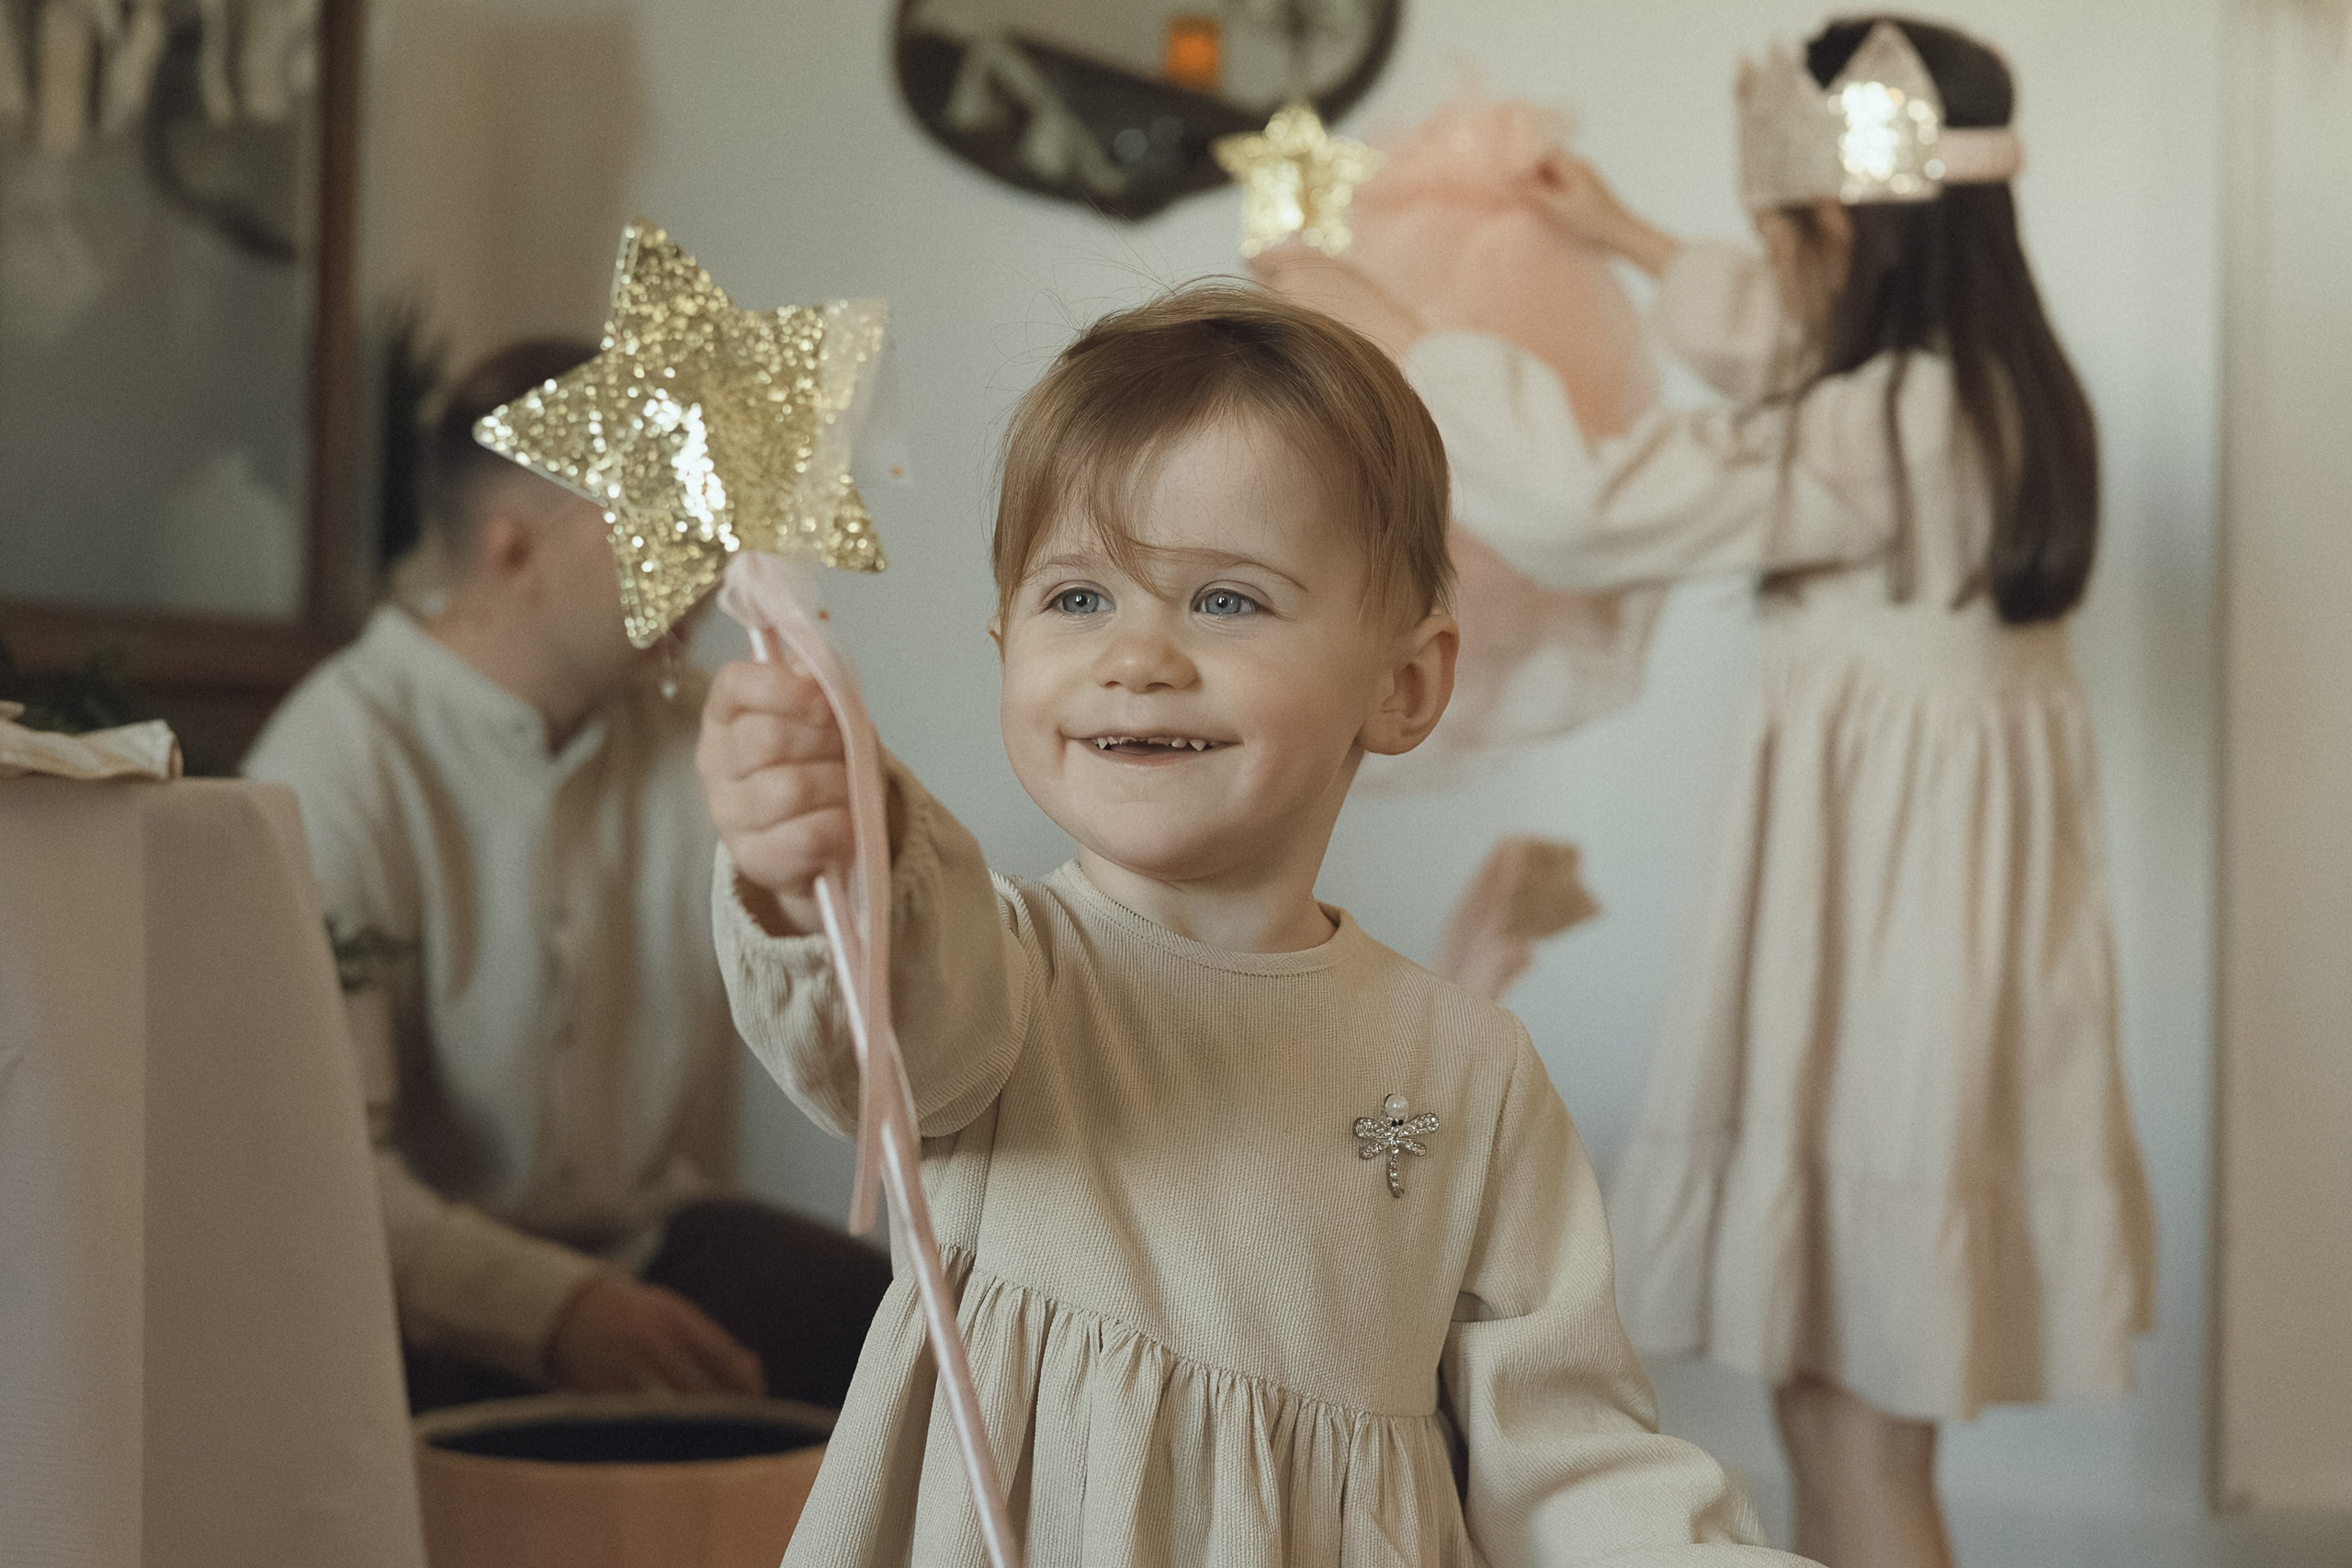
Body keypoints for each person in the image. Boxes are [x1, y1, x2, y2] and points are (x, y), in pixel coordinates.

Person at [698, 284, 1806, 1565]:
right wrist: (823, 861)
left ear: (1402, 684)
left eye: (1225, 600)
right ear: (1006, 639)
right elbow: (883, 1017)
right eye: (1076, 598)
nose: (1137, 655)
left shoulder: (1467, 1067)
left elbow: (1567, 1454)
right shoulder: (1005, 977)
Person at [1258, 17, 2156, 1568]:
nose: (1760, 275)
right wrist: (1609, 226)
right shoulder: (1972, 386)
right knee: (1832, 1407)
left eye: (1781, 235)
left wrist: (1399, 335)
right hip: (1919, 950)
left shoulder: (1889, 420)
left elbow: (1596, 508)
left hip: (1895, 971)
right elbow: (1768, 338)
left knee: (1859, 1422)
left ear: (1853, 241)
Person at [244, 340, 892, 1412]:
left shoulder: (702, 733)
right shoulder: (334, 764)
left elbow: (845, 1036)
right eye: (660, 515)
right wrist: (550, 1309)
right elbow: (303, 1173)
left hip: (647, 1243)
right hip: (393, 1291)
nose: (710, 550)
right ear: (510, 551)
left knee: (901, 1340)